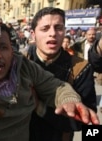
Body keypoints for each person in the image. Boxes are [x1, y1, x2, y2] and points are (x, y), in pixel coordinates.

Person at [25, 7, 97, 141]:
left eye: (58, 28)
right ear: (33, 34)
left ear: (64, 32)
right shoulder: (20, 63)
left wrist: (41, 108)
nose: (52, 33)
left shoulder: (81, 68)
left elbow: (84, 121)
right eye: (45, 28)